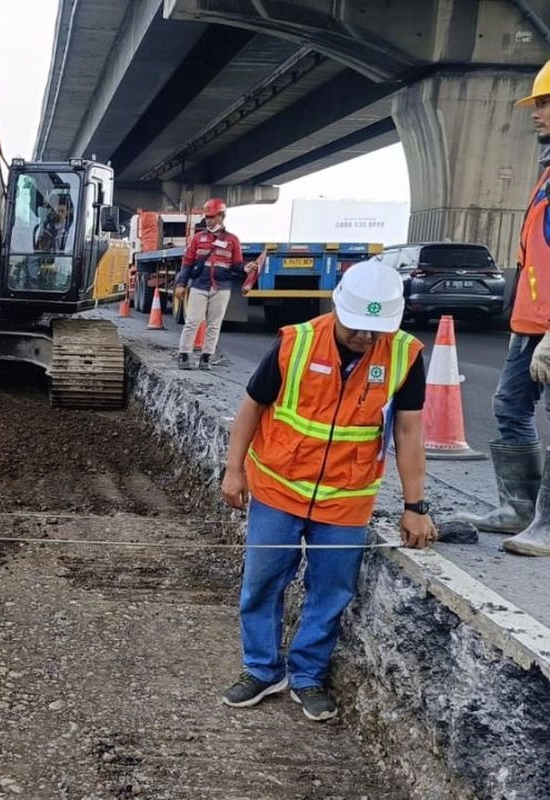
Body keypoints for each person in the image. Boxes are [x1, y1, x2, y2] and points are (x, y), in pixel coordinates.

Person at [218, 260, 436, 722]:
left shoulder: (404, 355)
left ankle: (308, 675)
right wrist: (234, 470)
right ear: (337, 309)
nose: (366, 338)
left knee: (331, 591)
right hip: (277, 489)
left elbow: (409, 432)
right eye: (357, 328)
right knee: (262, 584)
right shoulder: (295, 343)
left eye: (376, 331)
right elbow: (251, 407)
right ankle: (261, 669)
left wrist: (415, 505)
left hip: (346, 498)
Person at [457, 60, 550, 557]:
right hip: (530, 324)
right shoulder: (547, 174)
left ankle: (546, 525)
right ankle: (519, 507)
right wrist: (522, 319)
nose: (536, 113)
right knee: (510, 406)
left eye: (545, 103)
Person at [176, 199, 244, 370]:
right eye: (207, 217)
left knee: (214, 324)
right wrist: (181, 283)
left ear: (221, 216)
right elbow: (187, 262)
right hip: (199, 285)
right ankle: (184, 355)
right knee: (192, 321)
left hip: (221, 287)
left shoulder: (233, 240)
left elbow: (237, 266)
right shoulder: (198, 238)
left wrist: (247, 269)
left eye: (212, 217)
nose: (209, 220)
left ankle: (206, 357)